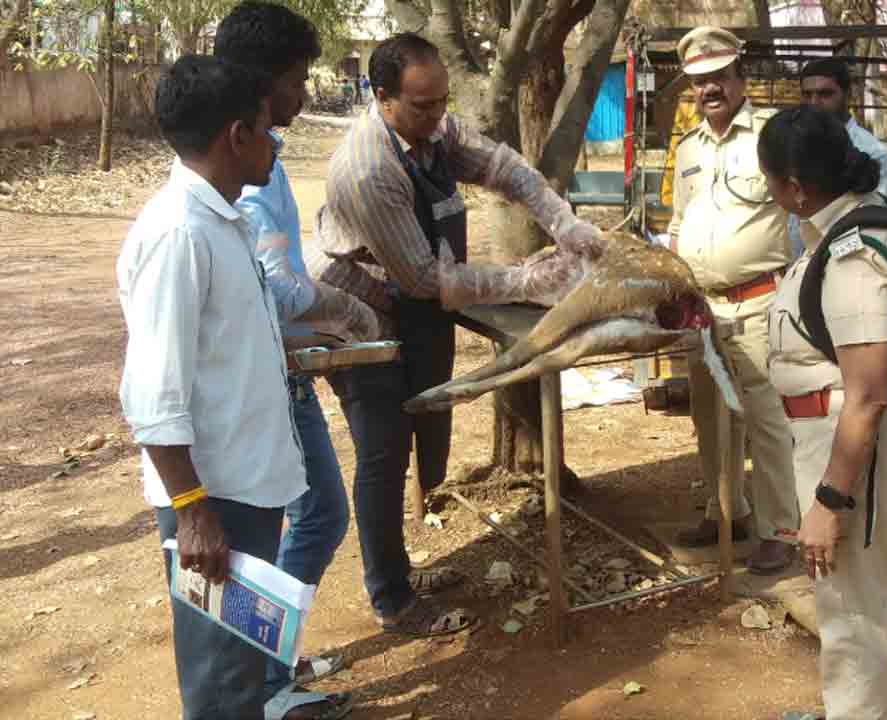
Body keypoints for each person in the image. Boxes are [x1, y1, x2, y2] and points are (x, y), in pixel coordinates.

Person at [308, 32, 603, 636]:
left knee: (417, 431)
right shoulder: (368, 171)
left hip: (413, 299)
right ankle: (392, 597)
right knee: (383, 453)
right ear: (383, 97)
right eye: (423, 106)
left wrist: (563, 222)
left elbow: (503, 169)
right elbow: (423, 279)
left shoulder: (433, 129)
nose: (438, 116)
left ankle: (400, 571)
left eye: (443, 101)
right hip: (362, 314)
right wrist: (527, 279)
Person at [117, 54, 307, 720]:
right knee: (222, 685)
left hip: (244, 488)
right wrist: (193, 508)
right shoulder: (179, 233)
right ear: (237, 135)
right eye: (268, 130)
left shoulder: (221, 220)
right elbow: (152, 390)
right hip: (213, 499)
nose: (275, 145)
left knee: (240, 676)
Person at [210, 4, 360, 718]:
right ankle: (266, 678)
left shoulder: (249, 154)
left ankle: (266, 668)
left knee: (305, 518)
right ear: (264, 82)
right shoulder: (248, 164)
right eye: (298, 79)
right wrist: (344, 306)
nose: (305, 93)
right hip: (267, 387)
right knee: (316, 516)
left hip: (280, 370)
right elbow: (276, 289)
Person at [759, 106, 887, 720]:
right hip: (827, 437)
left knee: (853, 610)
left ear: (796, 187)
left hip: (845, 446)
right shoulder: (839, 231)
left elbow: (869, 394)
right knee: (842, 602)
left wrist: (830, 500)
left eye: (770, 181)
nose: (769, 192)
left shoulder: (854, 255)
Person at [667, 26, 800, 575]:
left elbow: (806, 207)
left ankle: (780, 530)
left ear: (740, 77)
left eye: (720, 76)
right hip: (702, 310)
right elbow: (677, 223)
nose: (710, 89)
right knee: (710, 417)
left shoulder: (772, 135)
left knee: (767, 421)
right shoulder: (688, 148)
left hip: (759, 302)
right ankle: (727, 511)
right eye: (699, 81)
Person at [792, 58, 887, 260]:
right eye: (807, 94)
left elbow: (873, 223)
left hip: (843, 263)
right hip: (796, 264)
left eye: (825, 94)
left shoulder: (873, 152)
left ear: (849, 95)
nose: (814, 103)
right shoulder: (796, 142)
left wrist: (825, 265)